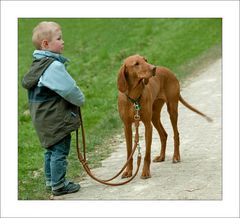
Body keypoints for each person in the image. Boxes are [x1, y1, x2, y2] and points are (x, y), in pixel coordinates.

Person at [22, 21, 85, 196]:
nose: (63, 41)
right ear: (46, 44)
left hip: (42, 118)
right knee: (60, 150)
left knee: (50, 149)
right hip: (55, 118)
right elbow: (69, 89)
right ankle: (59, 184)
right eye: (59, 38)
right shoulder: (53, 66)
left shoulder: (37, 65)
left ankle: (51, 181)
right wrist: (80, 100)